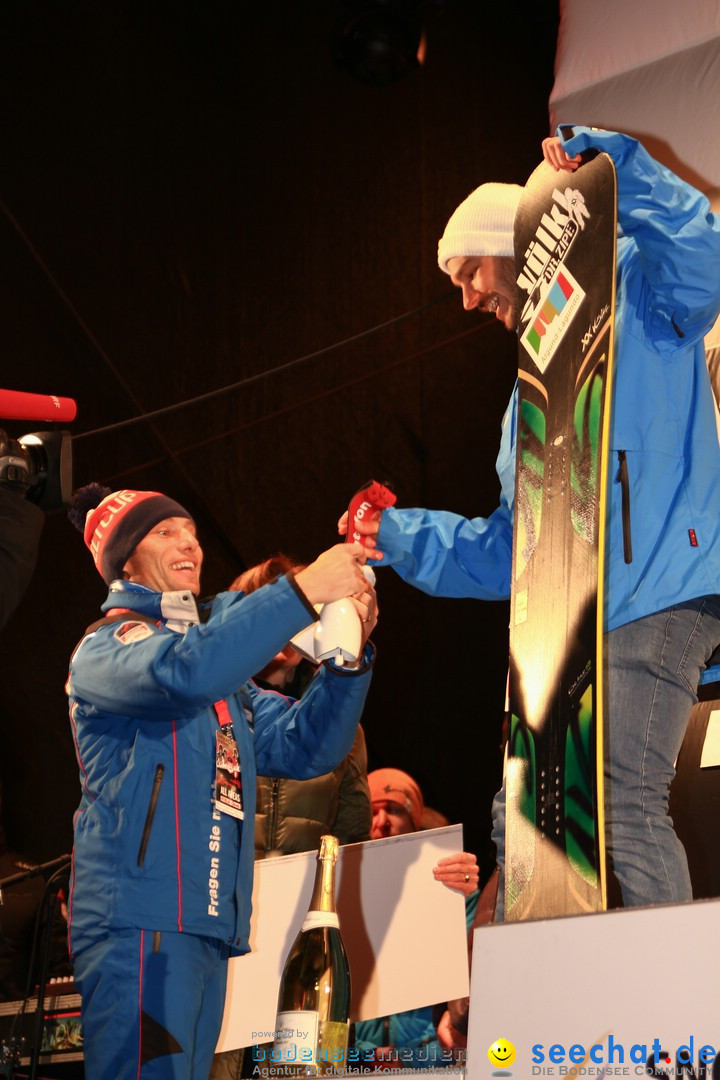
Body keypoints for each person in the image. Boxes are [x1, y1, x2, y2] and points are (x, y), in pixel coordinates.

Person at [341, 126, 720, 914]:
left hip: (660, 593)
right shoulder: (530, 393)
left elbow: (705, 258)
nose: (468, 297)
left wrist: (626, 169)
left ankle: (677, 1008)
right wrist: (399, 534)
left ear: (515, 243)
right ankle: (557, 1017)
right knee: (528, 825)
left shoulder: (634, 292)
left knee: (614, 800)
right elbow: (517, 548)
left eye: (470, 271)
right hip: (565, 624)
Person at [65, 485, 379, 1080]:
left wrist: (346, 656)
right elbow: (184, 670)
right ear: (125, 560)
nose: (188, 542)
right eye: (164, 532)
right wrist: (303, 590)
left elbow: (308, 745)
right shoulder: (107, 646)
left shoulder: (225, 687)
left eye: (192, 532)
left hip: (208, 927)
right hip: (143, 922)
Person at [210, 554, 372, 1080]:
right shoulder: (209, 701)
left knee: (302, 1068)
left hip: (304, 945)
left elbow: (351, 840)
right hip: (225, 940)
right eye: (276, 604)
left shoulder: (339, 721)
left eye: (304, 607)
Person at [352, 768, 478, 1069]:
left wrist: (467, 896)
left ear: (414, 820)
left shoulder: (450, 888)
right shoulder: (343, 892)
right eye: (371, 812)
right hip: (353, 1066)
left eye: (394, 810)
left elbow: (472, 978)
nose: (381, 823)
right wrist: (361, 1053)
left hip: (426, 1065)